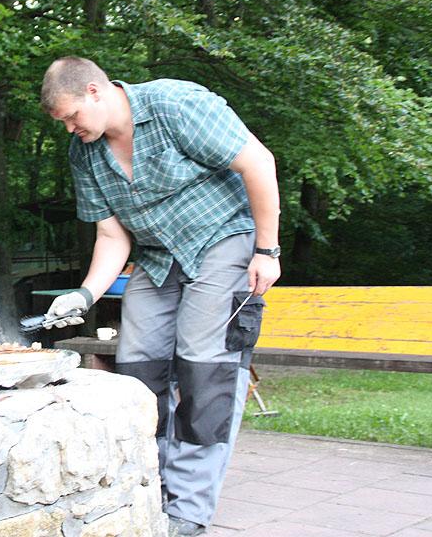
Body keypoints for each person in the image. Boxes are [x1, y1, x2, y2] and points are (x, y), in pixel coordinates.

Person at [40, 57, 281, 536]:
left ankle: (188, 509)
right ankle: (151, 489)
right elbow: (112, 236)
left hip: (222, 240)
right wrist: (85, 294)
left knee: (204, 369)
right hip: (155, 259)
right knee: (138, 370)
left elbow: (258, 162)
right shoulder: (85, 152)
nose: (70, 128)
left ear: (95, 91)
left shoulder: (175, 104)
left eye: (72, 116)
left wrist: (266, 250)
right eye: (62, 122)